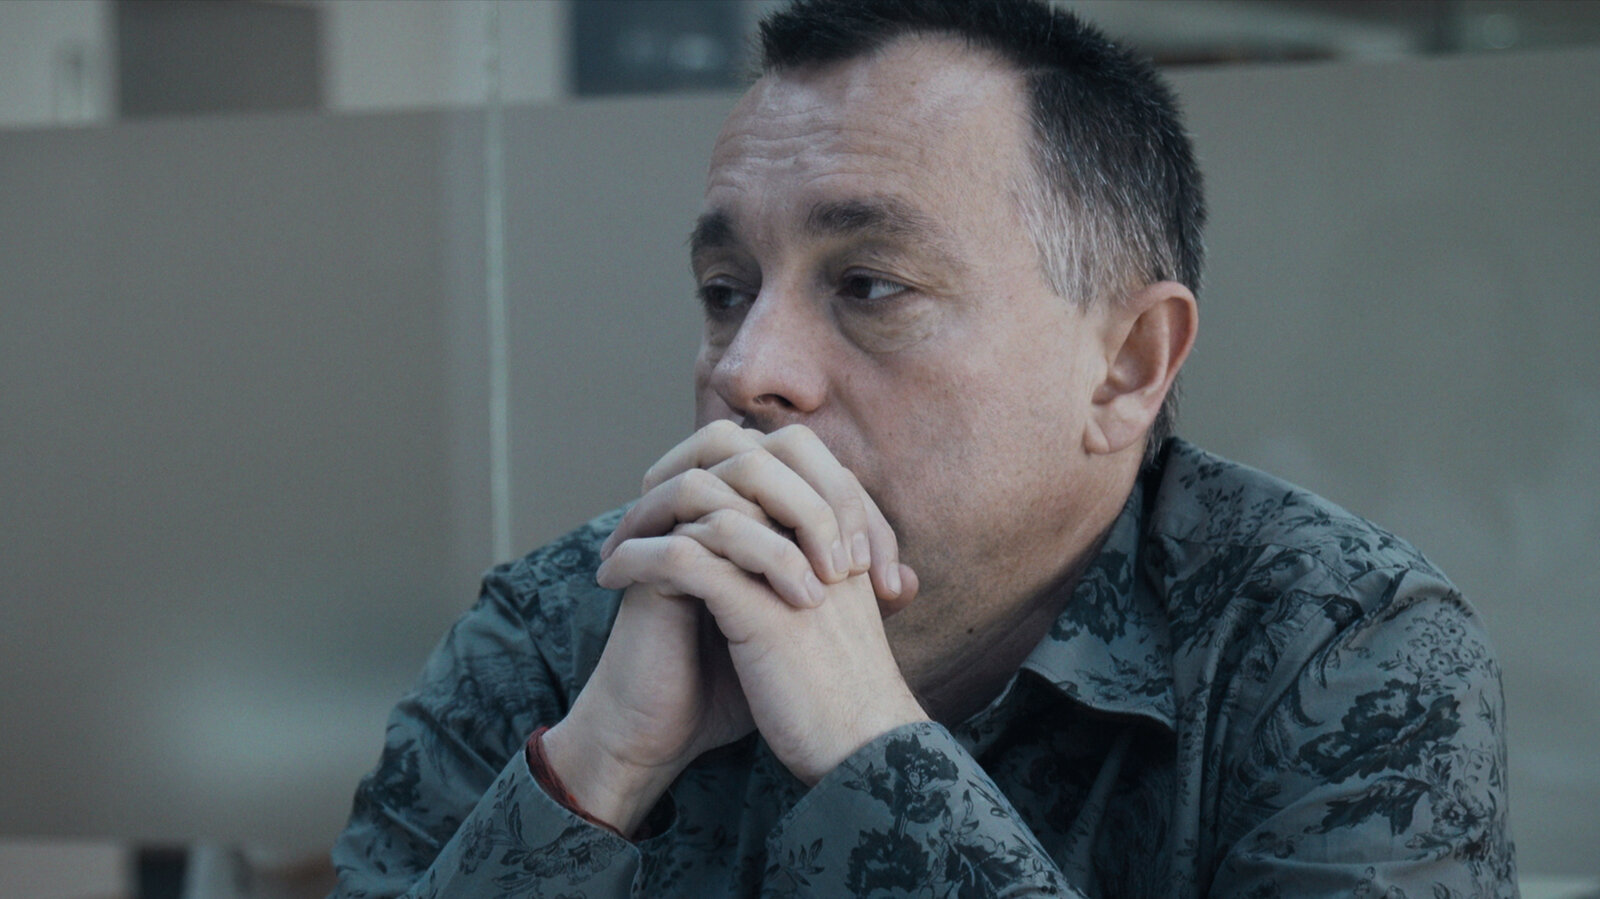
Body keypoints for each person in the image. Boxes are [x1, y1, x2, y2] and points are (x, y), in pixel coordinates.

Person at [330, 0, 1515, 895]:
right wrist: (598, 769)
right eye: (724, 289)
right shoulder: (561, 633)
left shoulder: (1333, 644)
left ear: (1126, 365)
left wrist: (869, 748)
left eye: (868, 284)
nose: (746, 369)